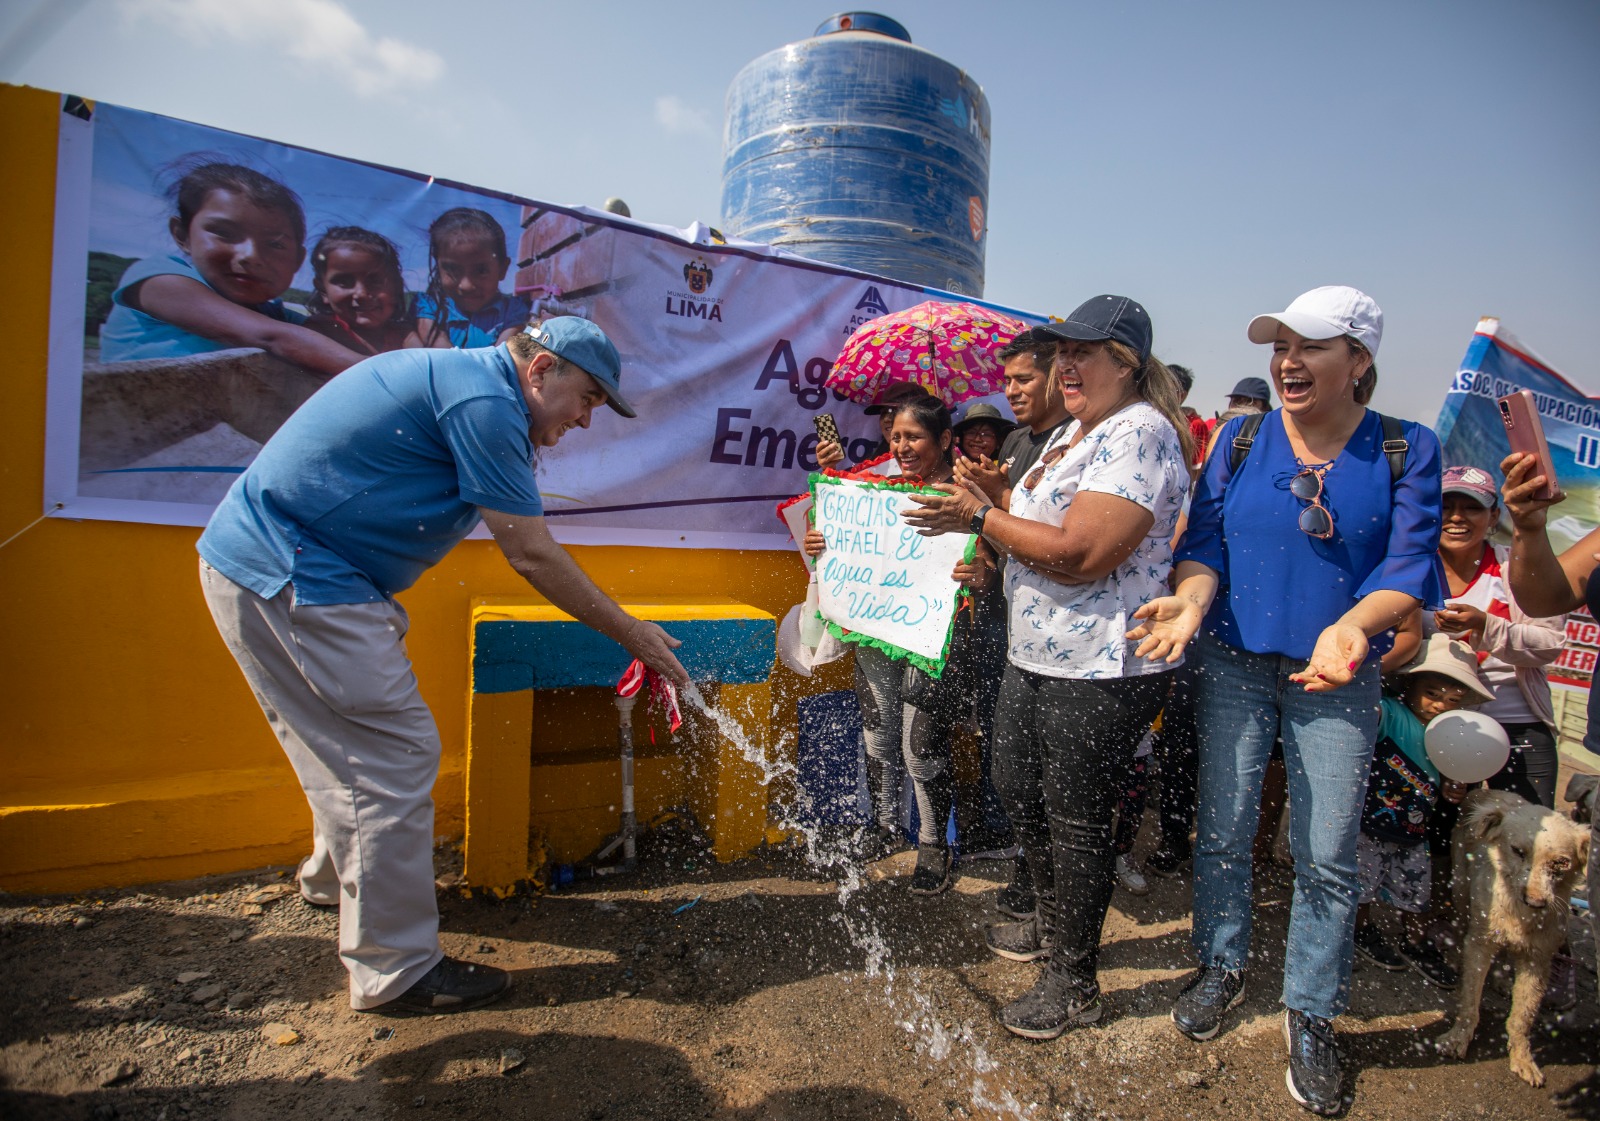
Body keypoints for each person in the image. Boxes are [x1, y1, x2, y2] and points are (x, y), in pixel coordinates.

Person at [196, 317, 689, 1014]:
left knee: (344, 747)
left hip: (276, 569)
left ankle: (336, 883)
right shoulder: (484, 403)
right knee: (392, 755)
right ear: (542, 369)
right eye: (587, 398)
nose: (586, 419)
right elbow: (531, 552)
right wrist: (634, 633)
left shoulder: (471, 385)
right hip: (298, 575)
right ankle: (394, 970)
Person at [1129, 285, 1444, 1116]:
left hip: (1339, 674)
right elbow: (1202, 547)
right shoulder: (1237, 439)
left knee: (1326, 852)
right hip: (1233, 661)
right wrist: (1193, 601)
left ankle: (1311, 1011)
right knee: (1225, 828)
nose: (1289, 362)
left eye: (1312, 346)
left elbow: (1410, 564)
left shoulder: (1407, 448)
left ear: (1360, 361)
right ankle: (1223, 964)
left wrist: (1352, 629)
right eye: (1281, 346)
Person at [905, 294, 1193, 1039]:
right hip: (1034, 652)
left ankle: (1074, 980)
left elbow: (1081, 553)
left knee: (1076, 820)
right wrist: (995, 497)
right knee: (1016, 786)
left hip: (1099, 664)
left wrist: (979, 516)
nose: (1066, 364)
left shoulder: (1139, 433)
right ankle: (1053, 924)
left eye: (1083, 352)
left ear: (1126, 364)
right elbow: (1042, 525)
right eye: (1061, 350)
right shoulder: (1073, 433)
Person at [809, 394, 999, 891]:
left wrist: (982, 572)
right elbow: (838, 530)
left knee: (921, 748)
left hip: (936, 637)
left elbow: (999, 561)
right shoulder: (877, 487)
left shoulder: (968, 495)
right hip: (877, 631)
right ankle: (886, 828)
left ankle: (935, 845)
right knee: (878, 735)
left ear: (944, 440)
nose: (902, 445)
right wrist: (819, 535)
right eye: (895, 436)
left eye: (914, 437)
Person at [99, 160, 366, 375]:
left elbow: (323, 335)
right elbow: (274, 338)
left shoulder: (273, 313)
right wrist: (388, 380)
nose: (250, 256)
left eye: (275, 244)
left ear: (297, 259)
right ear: (181, 235)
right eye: (224, 233)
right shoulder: (158, 280)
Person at [1498, 450, 1600, 1000]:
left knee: (1548, 850)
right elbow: (1546, 597)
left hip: (1522, 723)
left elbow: (1542, 640)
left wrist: (1491, 634)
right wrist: (1530, 527)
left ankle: (1552, 953)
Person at [1352, 634, 1488, 989]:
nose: (1440, 705)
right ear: (1410, 685)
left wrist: (1453, 787)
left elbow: (1449, 773)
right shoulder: (1391, 714)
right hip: (1370, 823)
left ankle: (1415, 941)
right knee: (1361, 886)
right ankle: (1358, 932)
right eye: (1432, 694)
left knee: (1415, 891)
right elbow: (1367, 715)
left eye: (1453, 700)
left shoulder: (1452, 733)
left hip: (1415, 833)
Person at [1432, 466, 1565, 807]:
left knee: (1529, 835)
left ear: (1493, 516)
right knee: (1437, 840)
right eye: (1446, 506)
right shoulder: (1412, 569)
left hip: (1518, 723)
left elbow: (1550, 643)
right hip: (1431, 723)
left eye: (1472, 507)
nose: (1457, 517)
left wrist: (1486, 625)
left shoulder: (1518, 568)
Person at [415, 207, 532, 348]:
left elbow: (500, 360)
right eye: (452, 269)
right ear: (438, 267)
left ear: (502, 269)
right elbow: (444, 358)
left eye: (481, 270)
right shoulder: (429, 308)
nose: (466, 285)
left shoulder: (513, 311)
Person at [302, 227, 420, 355]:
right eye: (344, 282)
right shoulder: (319, 330)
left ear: (397, 287)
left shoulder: (404, 335)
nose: (361, 294)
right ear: (323, 290)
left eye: (375, 281)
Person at [952, 402, 1017, 463]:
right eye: (971, 433)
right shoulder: (948, 469)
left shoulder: (1006, 472)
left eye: (986, 435)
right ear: (961, 437)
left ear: (999, 442)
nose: (977, 439)